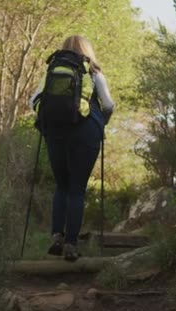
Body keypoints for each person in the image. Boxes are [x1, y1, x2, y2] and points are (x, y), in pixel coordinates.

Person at [29, 35, 115, 261]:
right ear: (88, 50)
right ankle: (71, 244)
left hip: (55, 132)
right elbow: (108, 104)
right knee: (77, 189)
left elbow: (33, 102)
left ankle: (57, 236)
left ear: (63, 49)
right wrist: (101, 122)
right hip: (86, 133)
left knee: (62, 186)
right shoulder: (94, 73)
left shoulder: (51, 72)